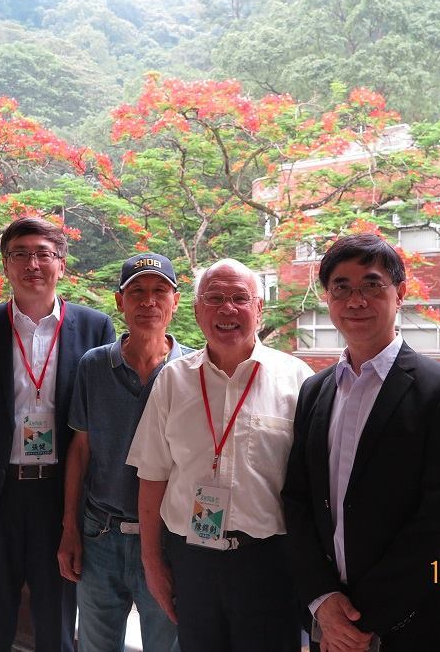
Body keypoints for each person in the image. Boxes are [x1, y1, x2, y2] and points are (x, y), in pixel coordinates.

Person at [282, 233, 440, 651]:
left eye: (372, 285)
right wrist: (324, 603)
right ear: (327, 298)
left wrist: (360, 621)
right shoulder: (314, 391)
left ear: (400, 293)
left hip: (412, 623)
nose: (356, 301)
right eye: (342, 287)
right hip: (330, 621)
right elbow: (298, 501)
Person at [0, 216, 115, 652]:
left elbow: (100, 426)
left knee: (58, 622)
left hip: (61, 499)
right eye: (20, 253)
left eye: (43, 253)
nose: (32, 263)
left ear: (61, 264)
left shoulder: (96, 329)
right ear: (5, 264)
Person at [126, 259, 314, 652]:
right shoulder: (173, 381)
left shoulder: (298, 380)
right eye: (214, 298)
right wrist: (153, 565)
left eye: (240, 298)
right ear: (196, 310)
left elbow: (315, 487)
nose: (227, 309)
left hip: (269, 564)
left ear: (259, 309)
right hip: (192, 562)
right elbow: (152, 475)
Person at [57, 253, 187, 652]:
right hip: (101, 535)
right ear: (120, 302)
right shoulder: (93, 366)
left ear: (175, 301)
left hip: (168, 542)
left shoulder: (193, 370)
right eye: (137, 292)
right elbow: (80, 451)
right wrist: (70, 529)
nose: (148, 302)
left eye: (158, 291)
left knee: (167, 645)